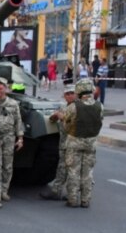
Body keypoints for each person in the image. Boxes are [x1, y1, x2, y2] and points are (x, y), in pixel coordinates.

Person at [62, 80, 103, 208]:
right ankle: (86, 200)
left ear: (78, 91)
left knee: (73, 171)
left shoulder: (73, 106)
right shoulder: (99, 105)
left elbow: (66, 123)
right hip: (91, 143)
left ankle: (73, 200)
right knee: (88, 172)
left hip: (74, 142)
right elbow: (99, 122)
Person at [0, 77, 24, 203]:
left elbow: (18, 121)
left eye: (1, 88)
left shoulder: (13, 104)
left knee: (7, 166)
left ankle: (4, 191)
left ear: (6, 89)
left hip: (9, 138)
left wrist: (20, 138)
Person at [40, 85, 77, 201]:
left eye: (72, 93)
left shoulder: (79, 107)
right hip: (64, 143)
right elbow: (52, 119)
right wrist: (55, 116)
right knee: (62, 167)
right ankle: (57, 191)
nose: (70, 95)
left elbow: (75, 123)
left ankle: (74, 193)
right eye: (67, 94)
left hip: (74, 143)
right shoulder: (64, 106)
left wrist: (63, 117)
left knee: (74, 169)